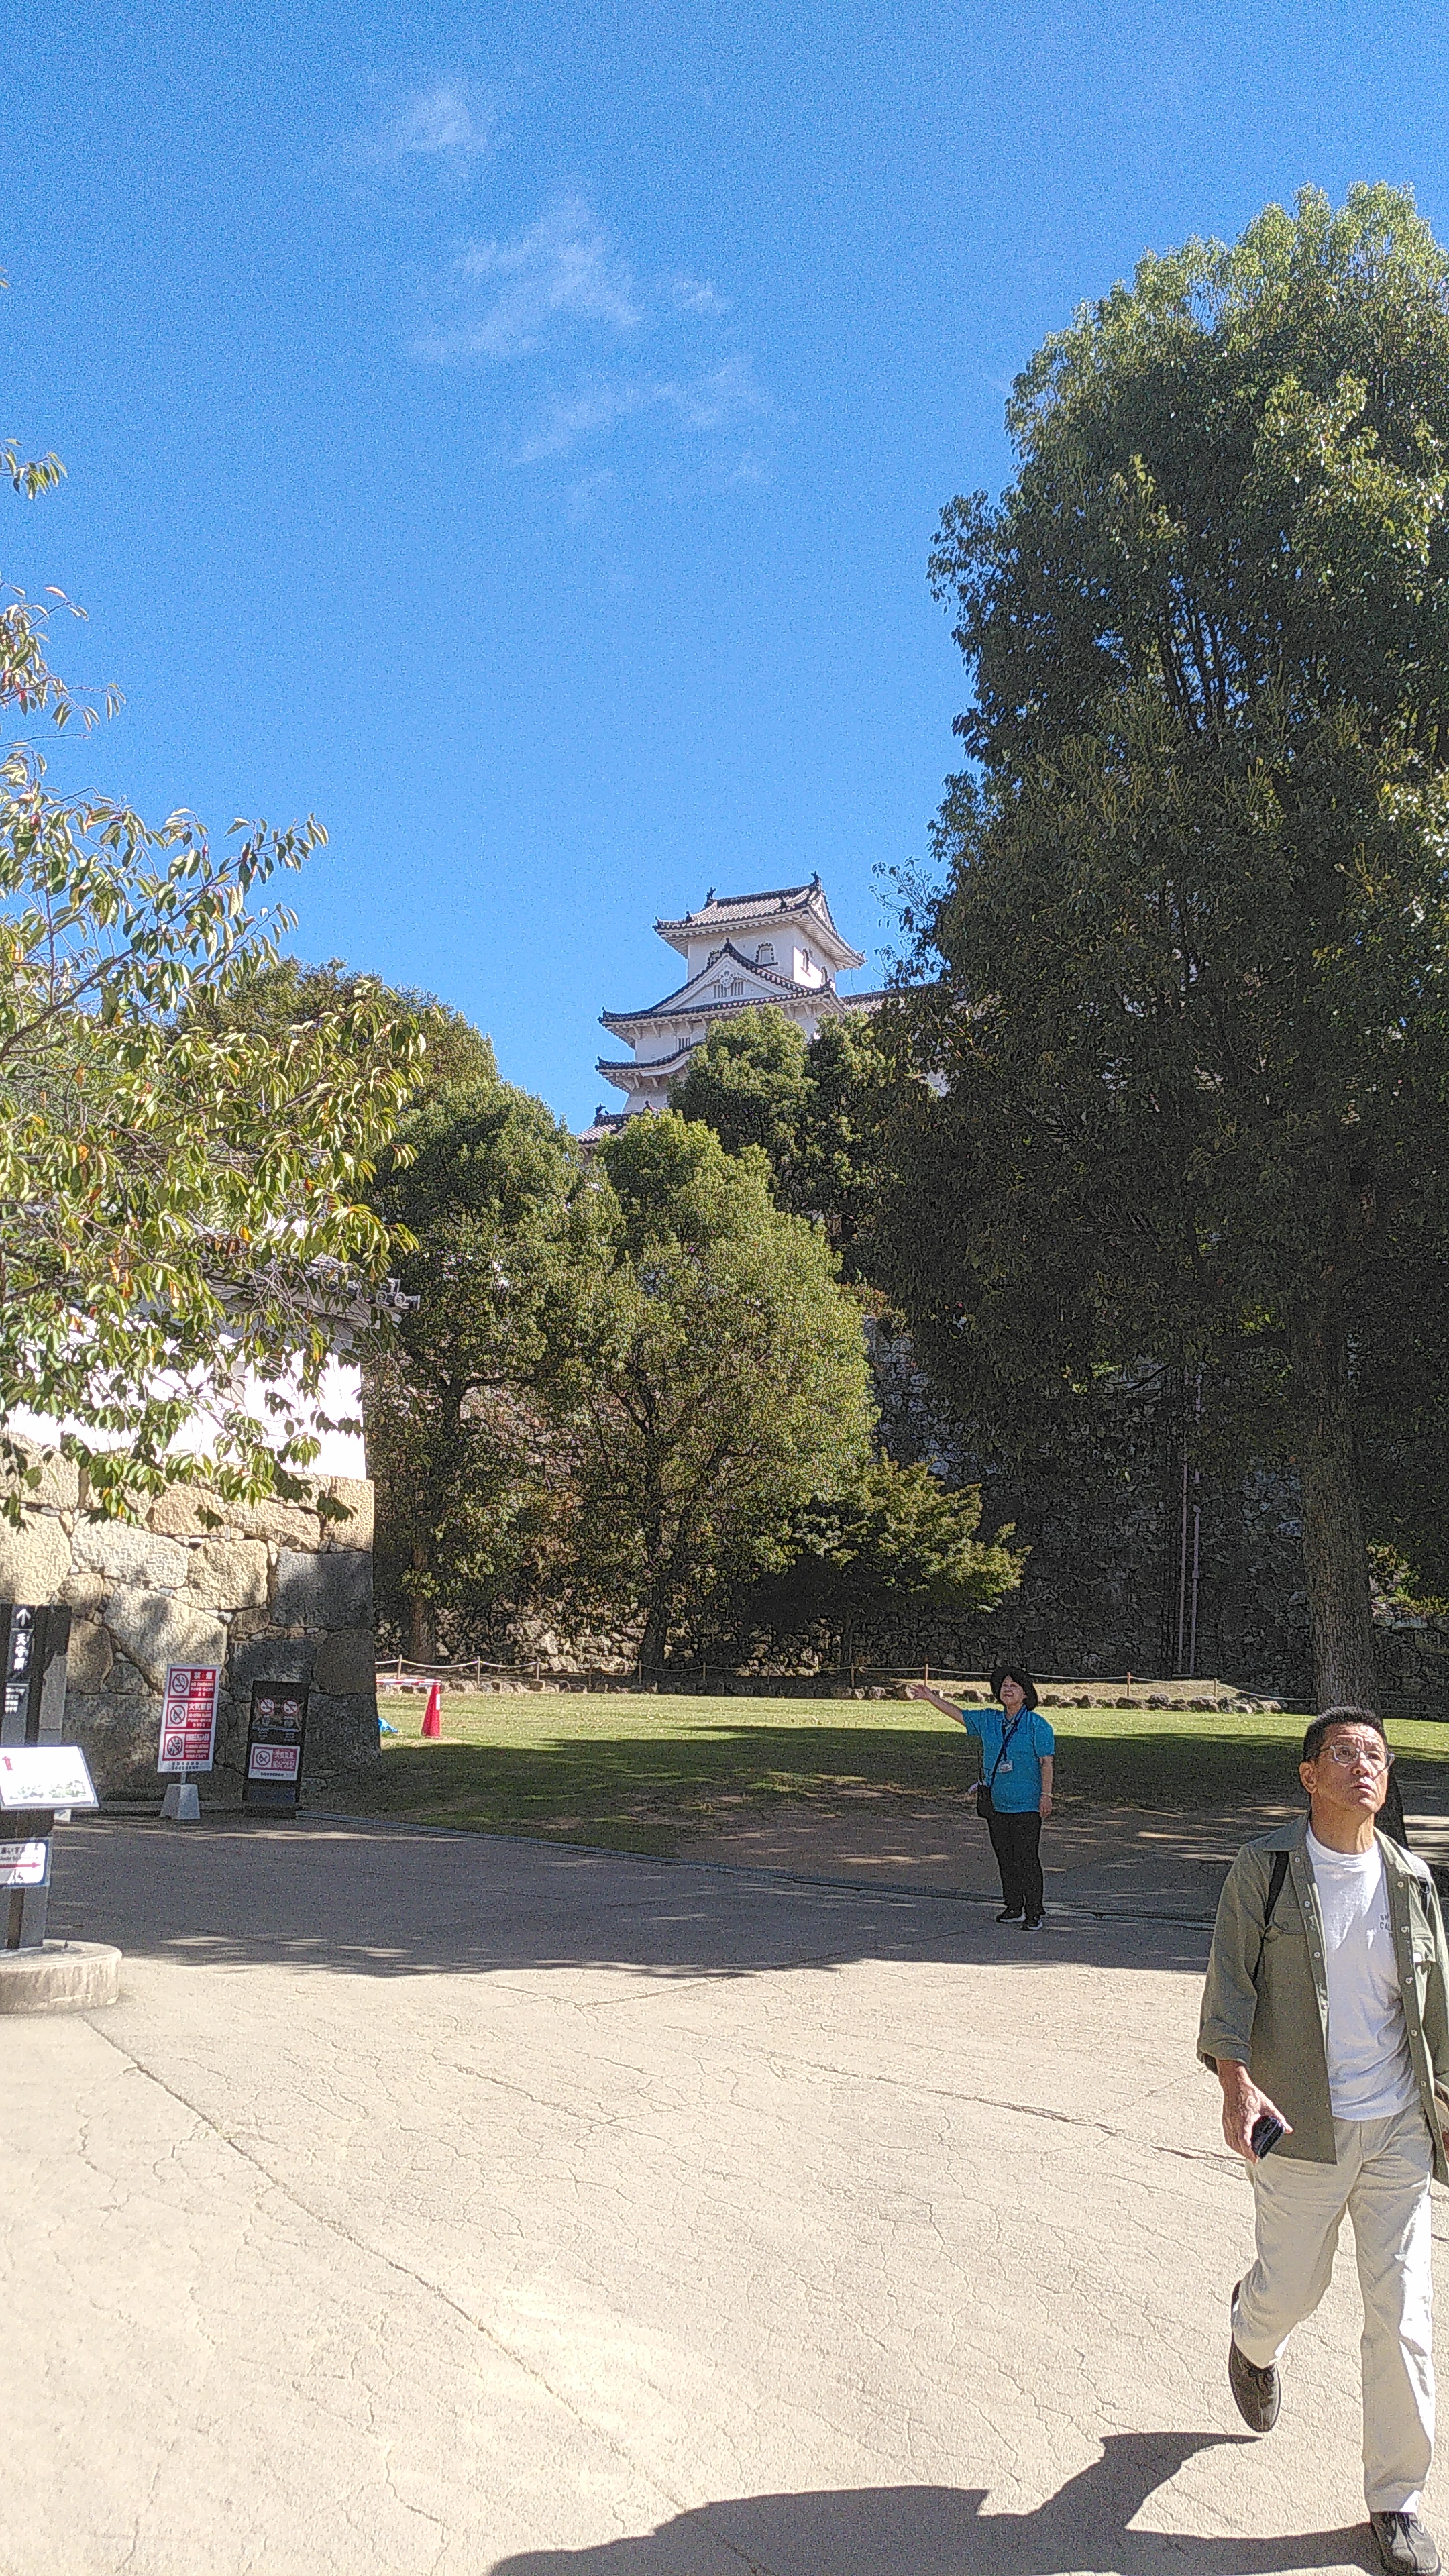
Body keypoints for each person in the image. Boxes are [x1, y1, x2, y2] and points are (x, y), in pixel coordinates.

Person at [1198, 1705, 1449, 2576]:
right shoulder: (1265, 1870)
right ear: (1310, 1775)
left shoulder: (1411, 1878)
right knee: (1292, 2291)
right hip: (1301, 2124)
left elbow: (1435, 2009)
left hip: (1397, 2131)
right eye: (1343, 1752)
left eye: (1375, 1754)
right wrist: (1235, 2083)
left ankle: (1396, 2500)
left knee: (1403, 2313)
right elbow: (1230, 1987)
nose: (1362, 1765)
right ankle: (1252, 2333)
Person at [906, 1664, 1055, 1929]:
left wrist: (1046, 1795)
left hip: (1027, 1805)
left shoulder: (1037, 1725)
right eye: (1004, 1686)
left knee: (1027, 1859)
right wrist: (931, 1698)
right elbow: (960, 1715)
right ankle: (1013, 1906)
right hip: (997, 1804)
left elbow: (1046, 1762)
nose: (1007, 1690)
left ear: (1025, 1693)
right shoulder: (989, 1720)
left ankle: (1034, 1911)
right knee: (1005, 1858)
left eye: (1013, 1686)